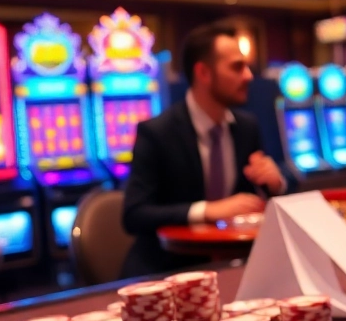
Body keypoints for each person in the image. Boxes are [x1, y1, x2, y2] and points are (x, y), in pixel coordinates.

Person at [121, 23, 290, 277]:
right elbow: (134, 215)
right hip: (171, 270)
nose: (248, 76)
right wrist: (208, 210)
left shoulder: (246, 127)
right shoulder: (157, 133)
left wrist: (275, 183)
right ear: (203, 72)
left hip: (236, 265)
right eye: (236, 67)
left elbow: (260, 199)